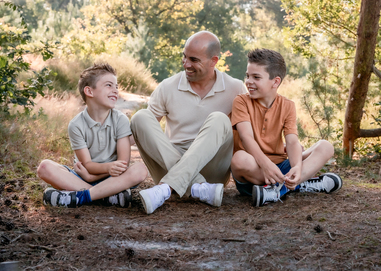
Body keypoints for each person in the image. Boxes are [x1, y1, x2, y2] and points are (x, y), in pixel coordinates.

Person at [130, 31, 247, 214]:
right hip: (170, 165)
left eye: (193, 60)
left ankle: (167, 188)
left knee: (220, 119)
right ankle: (196, 187)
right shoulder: (168, 86)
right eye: (184, 57)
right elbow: (144, 131)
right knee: (140, 118)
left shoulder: (236, 88)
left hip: (212, 170)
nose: (186, 64)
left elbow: (250, 133)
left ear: (213, 61)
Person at [231, 48, 342, 207]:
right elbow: (246, 137)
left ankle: (279, 189)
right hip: (254, 172)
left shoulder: (288, 105)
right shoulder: (241, 101)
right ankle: (300, 184)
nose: (249, 81)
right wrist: (266, 164)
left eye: (256, 77)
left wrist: (296, 166)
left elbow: (291, 141)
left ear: (275, 82)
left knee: (326, 146)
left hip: (281, 166)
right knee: (239, 159)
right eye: (247, 76)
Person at [37, 63, 147, 208]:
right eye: (109, 85)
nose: (115, 91)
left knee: (140, 169)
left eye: (116, 87)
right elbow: (87, 165)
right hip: (82, 177)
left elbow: (123, 163)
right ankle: (107, 196)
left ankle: (81, 196)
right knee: (44, 167)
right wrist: (90, 175)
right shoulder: (76, 125)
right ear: (89, 91)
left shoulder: (120, 119)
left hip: (113, 177)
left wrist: (92, 176)